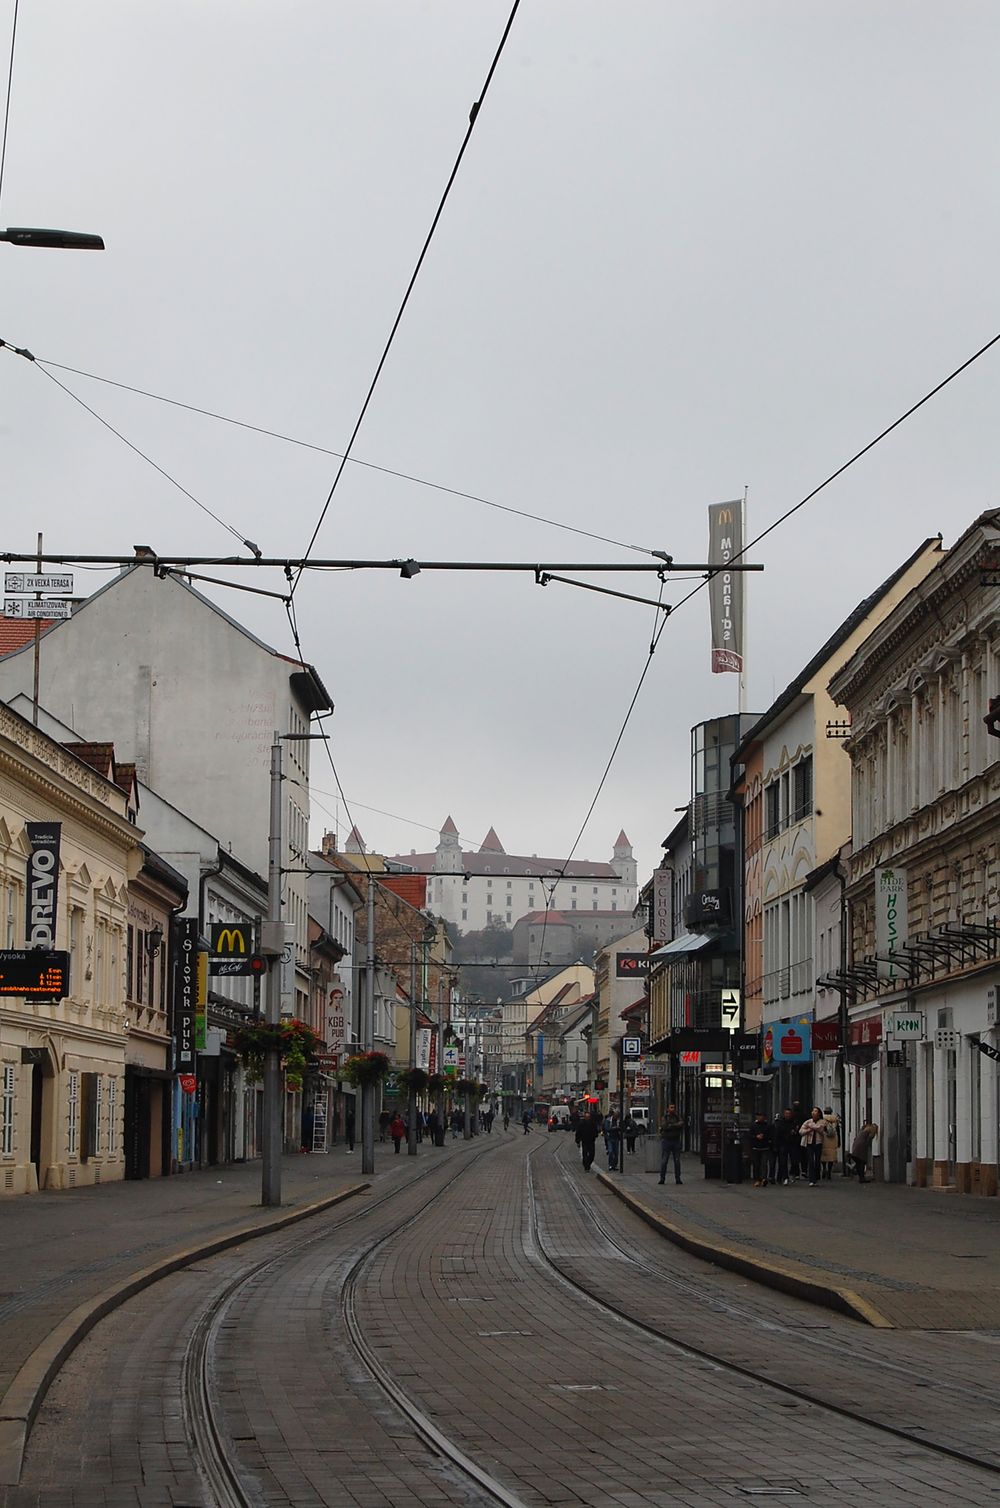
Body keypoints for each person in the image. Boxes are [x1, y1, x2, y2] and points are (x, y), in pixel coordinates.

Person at [799, 1106, 826, 1185]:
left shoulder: (822, 1121)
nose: (813, 1113)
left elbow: (821, 1129)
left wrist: (812, 1126)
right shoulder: (808, 1121)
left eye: (815, 1111)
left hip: (818, 1143)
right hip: (809, 1143)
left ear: (819, 1114)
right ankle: (811, 1179)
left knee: (817, 1161)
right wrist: (808, 1130)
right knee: (811, 1161)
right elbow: (801, 1131)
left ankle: (816, 1176)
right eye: (813, 1111)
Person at [658, 1103, 684, 1185]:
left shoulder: (677, 1116)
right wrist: (674, 1126)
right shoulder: (665, 1117)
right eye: (671, 1107)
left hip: (676, 1141)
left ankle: (678, 1178)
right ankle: (662, 1178)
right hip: (667, 1141)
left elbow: (681, 1123)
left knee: (677, 1161)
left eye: (674, 1107)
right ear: (668, 1109)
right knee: (664, 1161)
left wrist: (671, 1125)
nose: (673, 1109)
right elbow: (664, 1126)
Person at [771, 1108, 797, 1185]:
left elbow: (797, 1133)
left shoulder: (794, 1123)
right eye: (786, 1113)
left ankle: (791, 1173)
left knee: (794, 1161)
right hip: (782, 1144)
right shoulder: (780, 1123)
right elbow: (777, 1135)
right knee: (783, 1162)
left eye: (789, 1113)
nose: (788, 1115)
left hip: (792, 1144)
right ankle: (785, 1177)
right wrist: (775, 1145)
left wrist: (794, 1133)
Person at [749, 1111, 773, 1186]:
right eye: (758, 1116)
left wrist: (765, 1137)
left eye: (761, 1116)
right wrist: (756, 1137)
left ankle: (764, 1178)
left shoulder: (768, 1126)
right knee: (756, 1164)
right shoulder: (753, 1126)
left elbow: (771, 1135)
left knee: (764, 1164)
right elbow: (749, 1135)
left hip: (765, 1147)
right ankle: (757, 1179)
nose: (760, 1118)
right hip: (755, 1147)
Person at [820, 1106, 840, 1180]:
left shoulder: (822, 1119)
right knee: (831, 1157)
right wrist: (839, 1142)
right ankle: (829, 1172)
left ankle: (824, 1169)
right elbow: (837, 1131)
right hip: (833, 1140)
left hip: (824, 1139)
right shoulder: (835, 1120)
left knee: (824, 1156)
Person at [788, 1100, 805, 1179]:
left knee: (795, 1156)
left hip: (794, 1138)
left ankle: (795, 1171)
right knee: (802, 1155)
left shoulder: (792, 1116)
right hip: (801, 1137)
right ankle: (803, 1170)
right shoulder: (803, 1114)